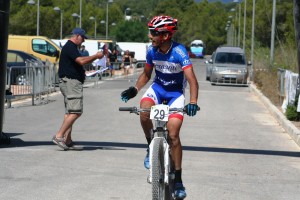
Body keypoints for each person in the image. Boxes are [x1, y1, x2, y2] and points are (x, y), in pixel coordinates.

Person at [120, 16, 199, 199]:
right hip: (157, 89)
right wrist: (135, 89)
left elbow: (192, 81)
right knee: (144, 110)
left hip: (175, 95)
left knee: (173, 134)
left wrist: (193, 102)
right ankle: (150, 147)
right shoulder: (152, 51)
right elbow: (146, 75)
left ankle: (178, 180)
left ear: (165, 35)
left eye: (153, 33)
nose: (150, 36)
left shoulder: (179, 52)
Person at [52, 28, 107, 150]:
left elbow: (76, 65)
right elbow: (81, 61)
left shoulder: (71, 47)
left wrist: (86, 72)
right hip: (71, 83)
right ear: (77, 36)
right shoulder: (70, 47)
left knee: (70, 112)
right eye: (83, 38)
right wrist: (96, 56)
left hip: (69, 81)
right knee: (76, 111)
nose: (83, 41)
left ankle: (68, 140)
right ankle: (59, 136)